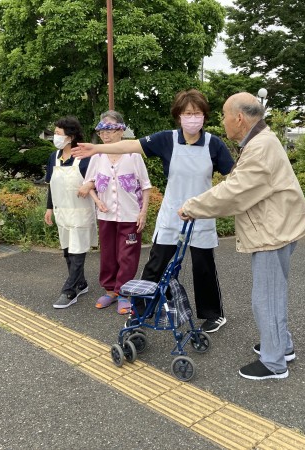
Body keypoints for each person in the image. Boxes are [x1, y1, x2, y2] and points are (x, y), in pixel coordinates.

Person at [73, 89, 234, 333]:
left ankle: (213, 314)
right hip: (172, 213)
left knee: (203, 266)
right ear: (178, 116)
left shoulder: (214, 144)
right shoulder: (167, 139)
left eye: (197, 113)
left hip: (201, 215)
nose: (192, 118)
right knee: (156, 265)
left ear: (204, 116)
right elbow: (132, 144)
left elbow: (234, 176)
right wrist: (97, 149)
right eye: (187, 113)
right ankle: (141, 310)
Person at [178, 92, 305, 380]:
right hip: (277, 226)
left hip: (272, 231)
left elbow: (234, 192)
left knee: (266, 298)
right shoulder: (262, 141)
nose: (222, 121)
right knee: (273, 293)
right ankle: (281, 345)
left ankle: (274, 363)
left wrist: (192, 207)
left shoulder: (260, 147)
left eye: (224, 116)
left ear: (239, 118)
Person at [79, 111, 152, 314]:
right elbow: (89, 183)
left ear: (121, 131)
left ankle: (123, 293)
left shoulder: (133, 155)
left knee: (127, 255)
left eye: (110, 130)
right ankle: (110, 290)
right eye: (101, 131)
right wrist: (97, 202)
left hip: (130, 214)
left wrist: (143, 212)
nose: (105, 135)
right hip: (106, 216)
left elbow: (146, 186)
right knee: (108, 254)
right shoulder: (97, 156)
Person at [44, 116, 97, 309]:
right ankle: (81, 284)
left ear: (71, 136)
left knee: (77, 252)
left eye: (58, 133)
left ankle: (69, 291)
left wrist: (90, 185)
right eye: (55, 133)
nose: (55, 137)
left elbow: (99, 180)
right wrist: (49, 208)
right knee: (67, 251)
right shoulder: (54, 157)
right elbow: (51, 185)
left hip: (81, 212)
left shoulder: (85, 157)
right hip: (62, 212)